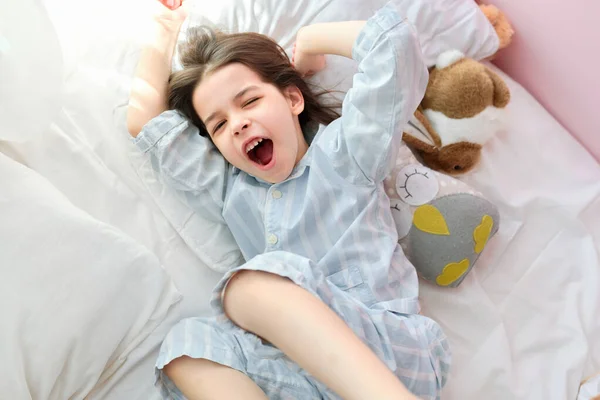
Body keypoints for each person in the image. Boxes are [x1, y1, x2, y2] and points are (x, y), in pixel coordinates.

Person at [127, 0, 450, 399]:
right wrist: (165, 24)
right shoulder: (230, 192)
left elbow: (394, 44)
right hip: (306, 378)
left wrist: (311, 43)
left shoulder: (346, 153)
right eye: (220, 125)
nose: (239, 123)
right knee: (187, 348)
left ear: (293, 100)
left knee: (249, 286)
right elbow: (143, 121)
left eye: (249, 102)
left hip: (390, 351)